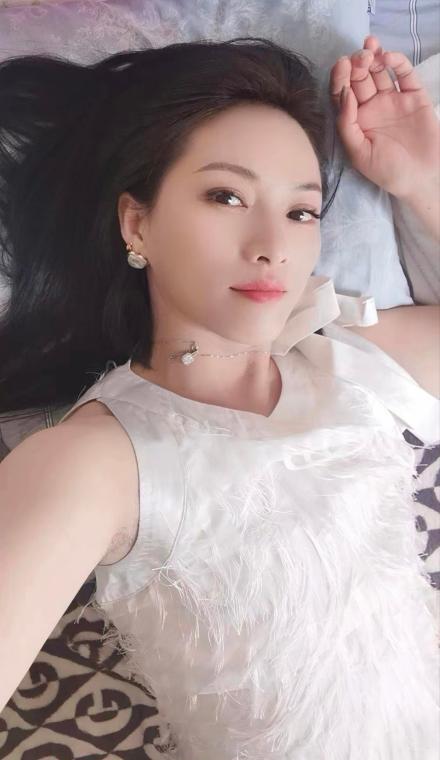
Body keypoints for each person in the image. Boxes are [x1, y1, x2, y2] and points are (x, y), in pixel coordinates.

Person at [0, 32, 439, 759]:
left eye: (302, 212)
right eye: (226, 196)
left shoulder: (352, 363)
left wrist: (421, 180)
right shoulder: (99, 460)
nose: (272, 244)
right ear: (137, 223)